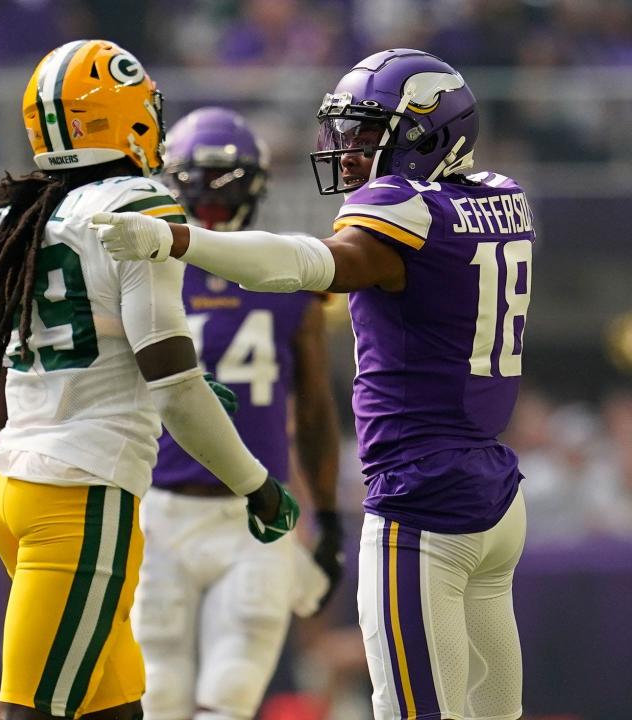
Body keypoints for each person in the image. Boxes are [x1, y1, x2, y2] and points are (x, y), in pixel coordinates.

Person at [92, 48, 534, 720]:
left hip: (421, 499)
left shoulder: (404, 210)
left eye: (365, 135)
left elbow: (304, 265)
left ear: (426, 133)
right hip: (497, 493)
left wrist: (180, 241)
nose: (348, 152)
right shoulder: (505, 198)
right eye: (345, 133)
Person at [0, 40, 299, 720]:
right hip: (80, 493)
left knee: (117, 705)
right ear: (126, 116)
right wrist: (255, 483)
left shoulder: (15, 215)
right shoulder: (137, 204)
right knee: (35, 709)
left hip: (16, 485)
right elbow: (175, 385)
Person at [132, 106, 343, 720]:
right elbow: (314, 415)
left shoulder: (144, 271)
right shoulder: (286, 275)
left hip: (234, 514)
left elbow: (312, 412)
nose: (212, 204)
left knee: (210, 693)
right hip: (194, 510)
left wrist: (327, 516)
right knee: (181, 693)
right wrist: (326, 517)